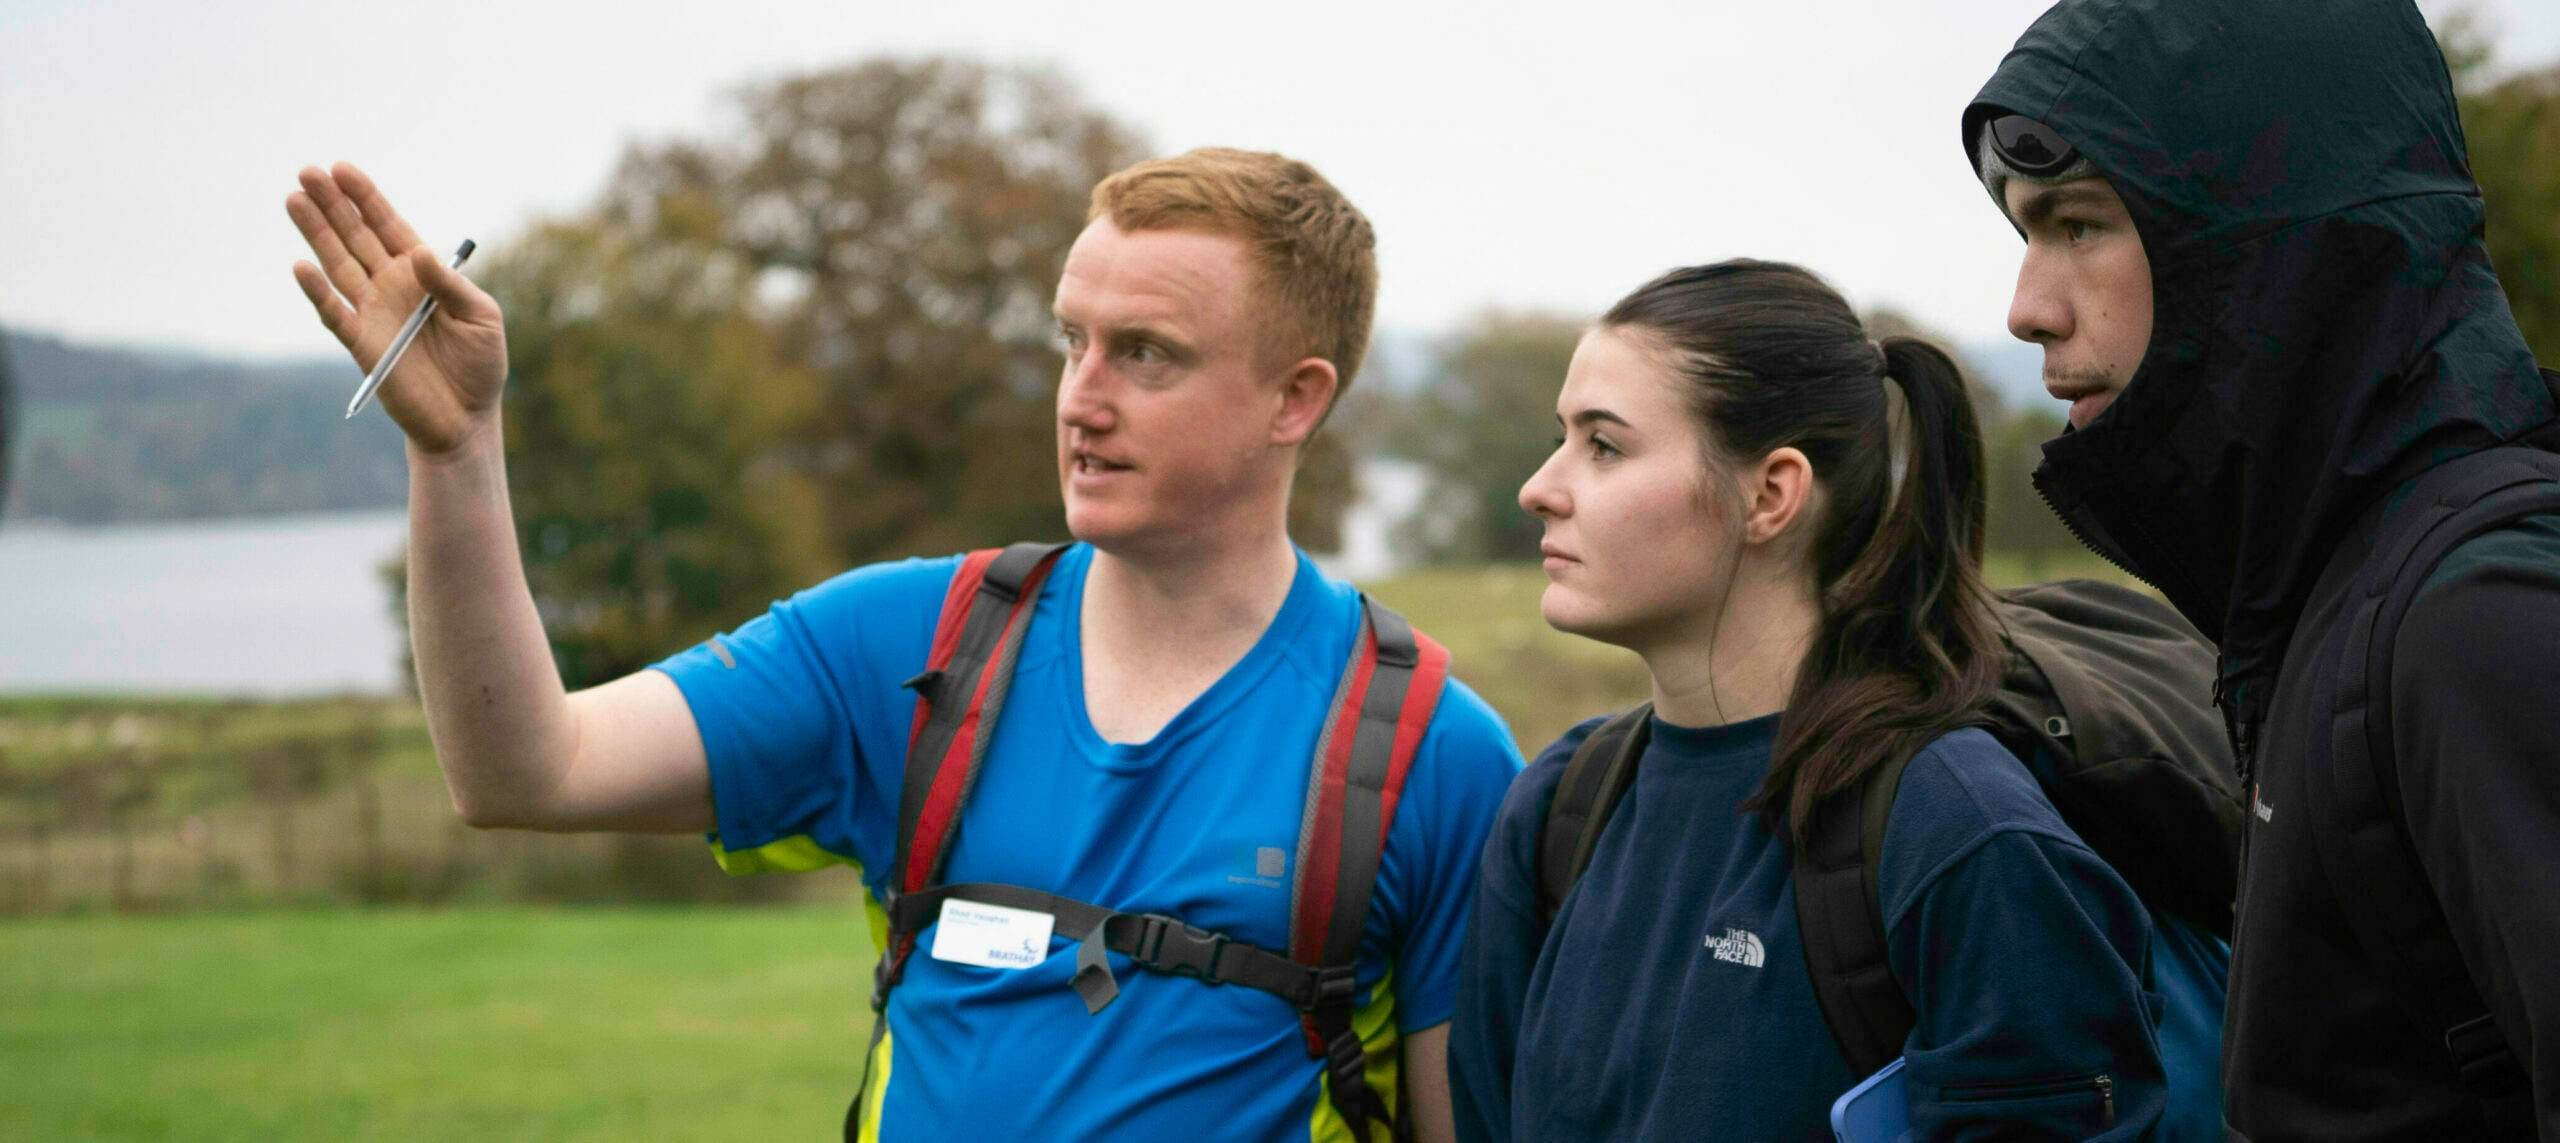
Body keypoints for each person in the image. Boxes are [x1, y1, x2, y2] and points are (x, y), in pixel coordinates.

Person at [282, 147, 1521, 1142]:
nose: (1080, 397)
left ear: (1295, 399)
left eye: (1145, 354)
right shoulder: (908, 644)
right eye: (1070, 340)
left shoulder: (1430, 754)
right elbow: (522, 772)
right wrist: (458, 454)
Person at [1965, 1, 2560, 1137]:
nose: (2028, 306)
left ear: (2259, 247)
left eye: (2079, 224)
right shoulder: (2329, 588)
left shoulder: (2475, 612)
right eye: (2023, 235)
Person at [1447, 259, 2172, 1140]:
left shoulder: (1957, 834)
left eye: (1603, 444)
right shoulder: (1557, 808)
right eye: (1561, 437)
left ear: (1772, 493)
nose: (1540, 486)